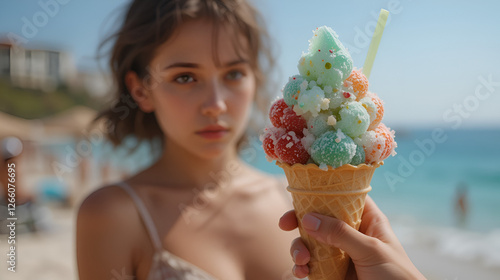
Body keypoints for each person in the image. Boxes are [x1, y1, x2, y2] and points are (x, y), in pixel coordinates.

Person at [76, 0, 425, 279]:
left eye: (234, 73)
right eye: (185, 77)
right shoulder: (112, 215)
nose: (216, 104)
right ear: (141, 90)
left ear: (254, 79)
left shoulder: (293, 202)